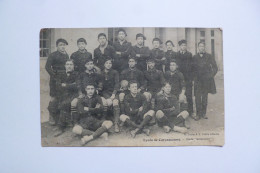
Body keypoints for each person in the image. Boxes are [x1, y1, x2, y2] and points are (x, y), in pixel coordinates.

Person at [70, 58, 103, 124]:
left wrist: (97, 90)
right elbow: (78, 85)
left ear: (93, 65)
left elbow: (100, 86)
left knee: (104, 103)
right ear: (85, 65)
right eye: (88, 64)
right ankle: (75, 122)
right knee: (73, 103)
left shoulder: (97, 75)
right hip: (83, 94)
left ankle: (101, 120)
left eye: (91, 64)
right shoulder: (81, 74)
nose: (90, 66)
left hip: (94, 94)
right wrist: (80, 94)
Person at [45, 38, 69, 125]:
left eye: (64, 45)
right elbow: (47, 67)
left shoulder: (66, 55)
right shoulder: (53, 55)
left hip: (64, 78)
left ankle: (59, 117)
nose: (62, 47)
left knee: (62, 97)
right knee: (54, 97)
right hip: (55, 79)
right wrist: (54, 75)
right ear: (57, 46)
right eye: (60, 45)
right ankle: (51, 116)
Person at [192, 41, 218, 120]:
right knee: (197, 97)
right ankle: (198, 114)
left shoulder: (209, 56)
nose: (201, 48)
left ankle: (203, 113)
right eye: (200, 46)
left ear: (204, 47)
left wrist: (210, 75)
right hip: (198, 80)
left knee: (204, 97)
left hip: (206, 80)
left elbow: (215, 68)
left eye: (203, 46)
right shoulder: (194, 57)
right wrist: (194, 78)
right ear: (198, 48)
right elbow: (192, 69)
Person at [53, 59, 78, 137]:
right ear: (65, 66)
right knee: (52, 105)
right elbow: (58, 85)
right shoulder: (60, 74)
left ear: (73, 66)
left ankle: (61, 127)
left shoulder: (77, 74)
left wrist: (66, 85)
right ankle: (62, 123)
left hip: (73, 95)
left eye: (71, 64)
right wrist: (70, 85)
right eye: (67, 64)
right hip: (62, 94)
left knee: (64, 104)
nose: (69, 66)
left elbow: (77, 86)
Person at [100, 58, 120, 132]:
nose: (108, 65)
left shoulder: (115, 72)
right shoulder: (101, 73)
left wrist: (114, 94)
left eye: (110, 63)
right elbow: (102, 88)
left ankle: (116, 123)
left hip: (114, 92)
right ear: (104, 64)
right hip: (105, 93)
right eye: (107, 63)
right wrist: (107, 97)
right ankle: (104, 121)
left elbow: (117, 84)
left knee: (115, 102)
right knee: (107, 102)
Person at [175, 39, 194, 118]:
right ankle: (180, 111)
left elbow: (192, 67)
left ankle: (191, 111)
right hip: (179, 78)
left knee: (189, 95)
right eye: (182, 45)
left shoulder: (189, 54)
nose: (184, 47)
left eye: (185, 45)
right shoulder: (176, 54)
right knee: (179, 94)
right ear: (179, 46)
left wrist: (191, 79)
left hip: (187, 78)